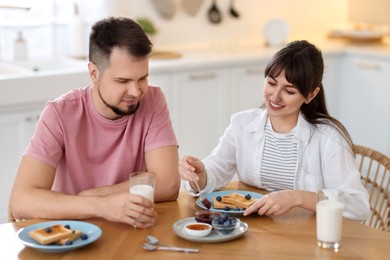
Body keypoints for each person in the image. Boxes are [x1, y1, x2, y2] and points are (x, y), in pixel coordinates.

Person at [10, 17, 180, 228]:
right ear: (94, 73)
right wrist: (101, 206)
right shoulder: (60, 112)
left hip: (130, 230)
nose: (136, 92)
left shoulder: (152, 100)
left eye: (142, 78)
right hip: (74, 234)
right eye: (123, 81)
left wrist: (95, 195)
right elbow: (21, 200)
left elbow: (169, 183)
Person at [179, 40, 370, 221]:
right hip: (256, 231)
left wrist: (298, 198)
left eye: (289, 91)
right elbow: (216, 169)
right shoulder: (242, 124)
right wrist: (200, 174)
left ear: (311, 94)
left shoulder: (329, 138)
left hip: (308, 237)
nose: (275, 97)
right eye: (271, 83)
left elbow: (358, 205)